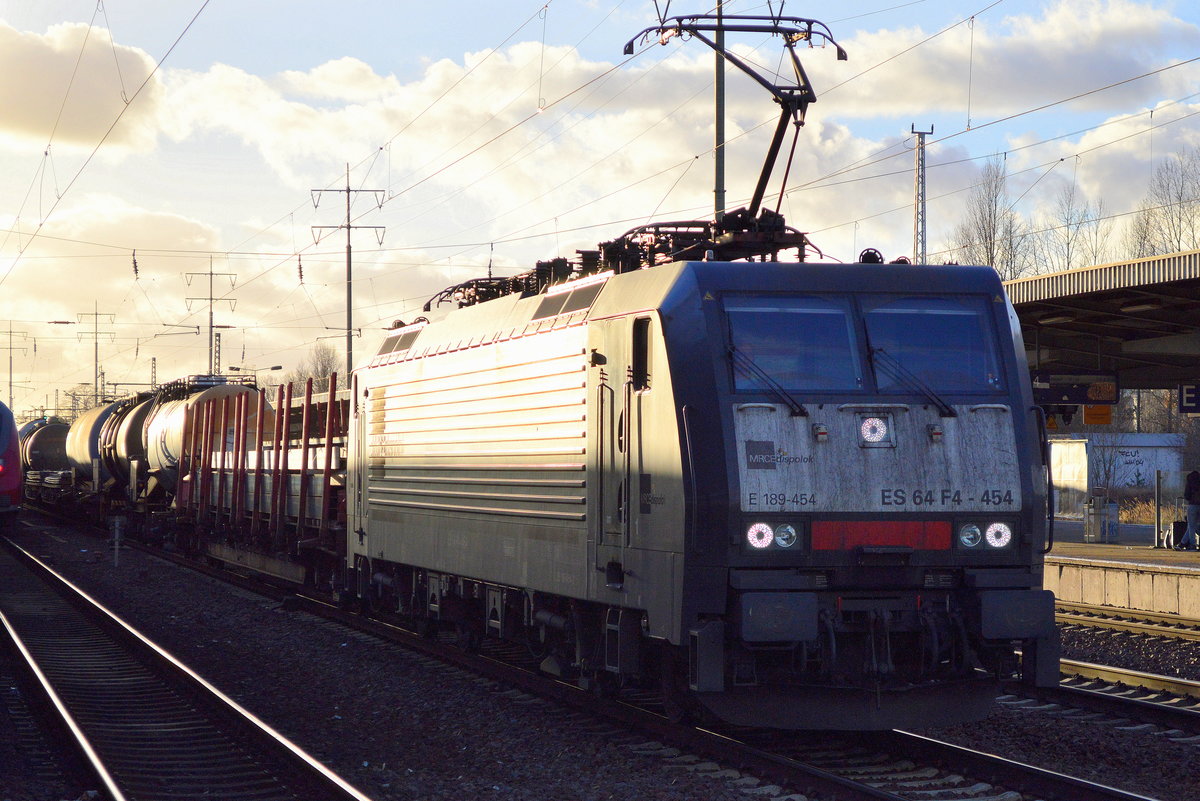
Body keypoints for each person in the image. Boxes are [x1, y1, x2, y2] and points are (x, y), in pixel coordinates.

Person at [1180, 471, 1200, 550]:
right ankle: (1182, 543)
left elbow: (1187, 495)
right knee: (1195, 526)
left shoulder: (1190, 483)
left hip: (1192, 505)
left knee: (1191, 526)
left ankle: (1192, 544)